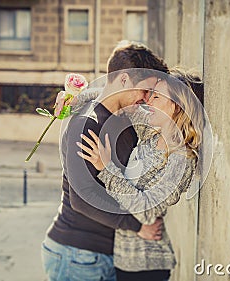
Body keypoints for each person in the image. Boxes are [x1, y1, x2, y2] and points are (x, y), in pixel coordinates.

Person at [41, 41, 169, 281]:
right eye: (144, 90)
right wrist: (137, 226)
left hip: (101, 255)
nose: (146, 98)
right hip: (78, 255)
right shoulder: (85, 124)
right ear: (123, 80)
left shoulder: (125, 117)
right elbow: (83, 199)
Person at [77, 68, 205, 281]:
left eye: (156, 96)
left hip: (147, 265)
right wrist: (74, 98)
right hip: (123, 258)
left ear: (176, 105)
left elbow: (148, 212)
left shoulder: (181, 160)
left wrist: (106, 168)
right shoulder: (150, 132)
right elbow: (115, 98)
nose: (148, 100)